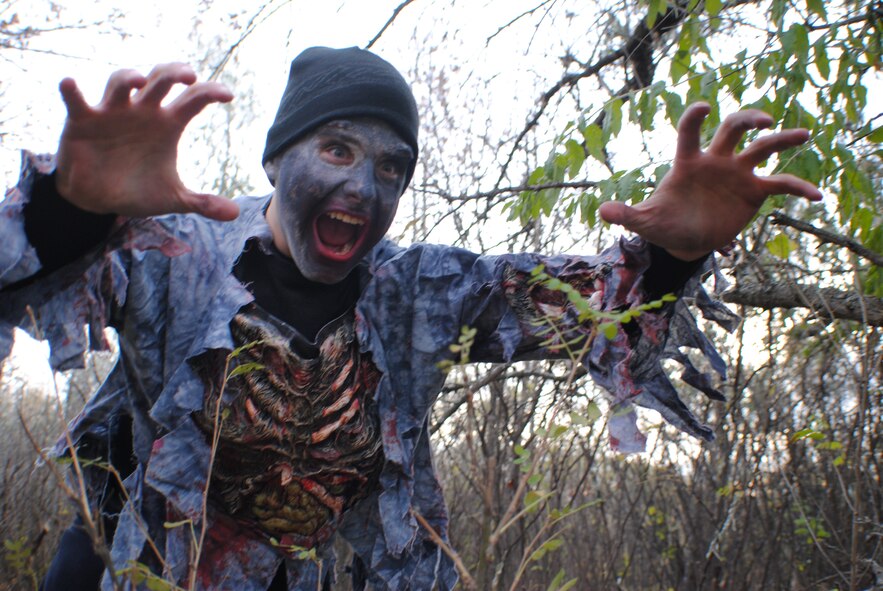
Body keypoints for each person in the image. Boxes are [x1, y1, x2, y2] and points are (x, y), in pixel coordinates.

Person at [0, 46, 821, 590]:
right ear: (277, 157)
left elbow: (597, 311)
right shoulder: (174, 251)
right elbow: (21, 284)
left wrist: (673, 255)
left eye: (391, 167)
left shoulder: (420, 290)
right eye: (336, 150)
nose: (363, 188)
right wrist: (70, 212)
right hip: (133, 565)